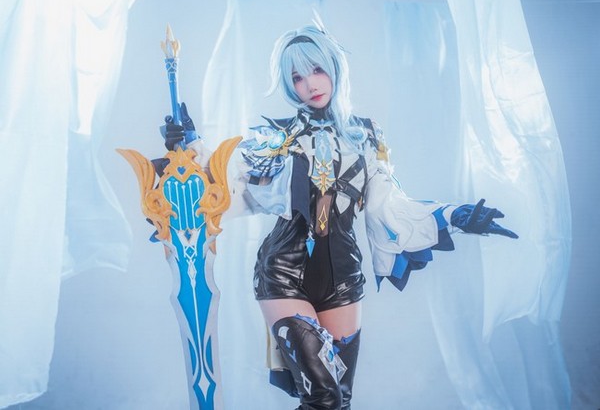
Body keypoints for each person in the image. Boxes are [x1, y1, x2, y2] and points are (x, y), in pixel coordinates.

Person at [162, 22, 517, 410]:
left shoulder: (366, 137)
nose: (309, 84)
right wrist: (190, 146)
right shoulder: (276, 138)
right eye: (297, 77)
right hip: (284, 272)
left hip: (343, 278)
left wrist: (455, 215)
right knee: (324, 396)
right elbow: (227, 182)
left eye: (316, 69)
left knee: (337, 402)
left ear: (334, 68)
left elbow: (390, 206)